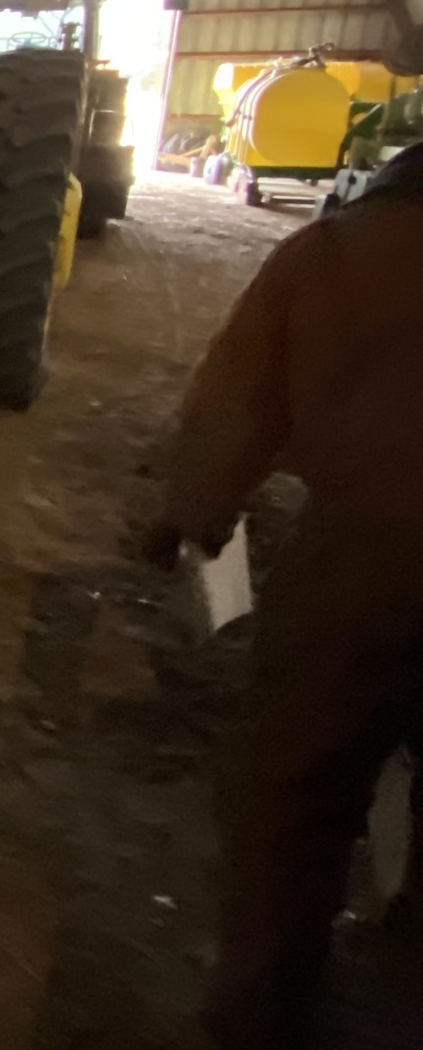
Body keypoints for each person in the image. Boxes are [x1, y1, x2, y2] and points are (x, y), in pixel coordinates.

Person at [143, 142, 423, 1049]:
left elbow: (238, 397)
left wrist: (192, 510)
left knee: (295, 797)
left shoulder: (334, 254)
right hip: (367, 553)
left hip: (359, 569)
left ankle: (261, 1017)